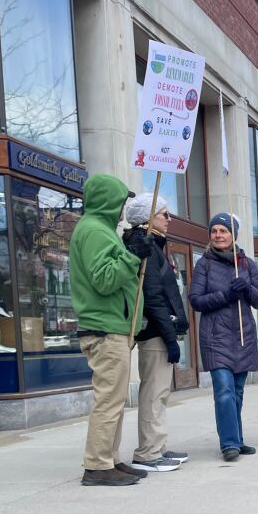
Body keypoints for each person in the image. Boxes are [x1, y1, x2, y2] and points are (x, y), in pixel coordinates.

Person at [69, 173, 150, 487]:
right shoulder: (94, 231)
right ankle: (98, 464)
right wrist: (132, 256)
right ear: (108, 200)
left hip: (111, 326)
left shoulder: (99, 230)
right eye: (120, 201)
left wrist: (127, 250)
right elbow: (104, 280)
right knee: (109, 399)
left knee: (114, 399)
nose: (122, 208)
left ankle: (109, 459)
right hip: (105, 328)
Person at [189, 212, 258, 461]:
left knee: (237, 392)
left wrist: (247, 288)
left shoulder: (247, 264)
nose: (218, 235)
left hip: (243, 336)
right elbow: (196, 300)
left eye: (223, 231)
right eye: (214, 231)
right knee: (223, 389)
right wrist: (225, 296)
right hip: (216, 336)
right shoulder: (205, 264)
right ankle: (229, 443)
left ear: (233, 235)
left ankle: (237, 438)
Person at [122, 193, 190, 473]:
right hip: (154, 333)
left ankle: (157, 446)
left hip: (161, 331)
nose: (170, 219)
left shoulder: (156, 247)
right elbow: (153, 297)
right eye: (164, 214)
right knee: (153, 393)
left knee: (160, 394)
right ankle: (148, 452)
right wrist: (169, 337)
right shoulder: (145, 247)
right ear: (148, 217)